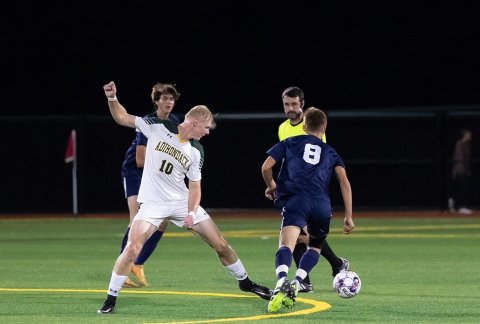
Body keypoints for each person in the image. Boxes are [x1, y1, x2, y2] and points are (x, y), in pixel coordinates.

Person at [98, 81, 271, 314]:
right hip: (152, 204)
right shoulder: (157, 127)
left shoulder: (196, 150)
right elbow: (123, 117)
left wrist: (190, 212)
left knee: (220, 244)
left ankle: (245, 282)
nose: (208, 132)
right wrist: (112, 98)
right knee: (132, 248)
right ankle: (110, 298)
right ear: (195, 122)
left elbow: (195, 187)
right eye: (207, 127)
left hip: (181, 202)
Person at [261, 107, 354, 313]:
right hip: (322, 205)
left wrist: (271, 186)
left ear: (304, 126)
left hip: (296, 199)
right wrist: (348, 216)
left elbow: (266, 167)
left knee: (286, 244)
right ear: (324, 128)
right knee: (314, 248)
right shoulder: (331, 152)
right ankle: (297, 282)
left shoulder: (290, 142)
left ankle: (280, 283)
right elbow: (344, 182)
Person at [277, 86, 349, 293]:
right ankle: (331, 267)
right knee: (299, 235)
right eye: (286, 104)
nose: (290, 108)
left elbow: (318, 161)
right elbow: (286, 160)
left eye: (294, 104)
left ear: (302, 104)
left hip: (310, 190)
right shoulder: (283, 128)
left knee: (297, 235)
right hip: (292, 189)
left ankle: (315, 274)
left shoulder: (312, 126)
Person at [120, 83, 181, 288]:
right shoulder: (148, 122)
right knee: (136, 219)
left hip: (154, 174)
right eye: (164, 98)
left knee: (162, 222)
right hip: (136, 172)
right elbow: (140, 160)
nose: (168, 102)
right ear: (156, 101)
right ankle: (122, 270)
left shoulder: (175, 122)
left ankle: (137, 263)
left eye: (171, 99)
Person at [448, 129, 473, 214]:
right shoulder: (460, 144)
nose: (470, 137)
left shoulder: (467, 145)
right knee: (461, 188)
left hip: (463, 170)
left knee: (461, 188)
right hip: (460, 170)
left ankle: (454, 204)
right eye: (468, 135)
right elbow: (460, 159)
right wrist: (462, 170)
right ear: (464, 135)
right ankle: (461, 207)